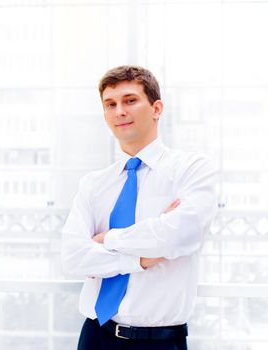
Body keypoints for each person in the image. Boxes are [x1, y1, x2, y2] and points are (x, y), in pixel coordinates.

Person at [61, 65, 218, 350]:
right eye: (111, 104)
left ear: (156, 108)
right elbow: (73, 257)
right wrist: (141, 259)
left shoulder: (192, 169)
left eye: (130, 100)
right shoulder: (93, 184)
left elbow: (179, 235)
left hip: (159, 341)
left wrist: (107, 239)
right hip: (95, 336)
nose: (119, 111)